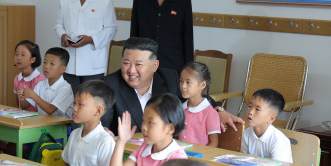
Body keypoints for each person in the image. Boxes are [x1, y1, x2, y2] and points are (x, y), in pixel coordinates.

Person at [102, 37, 244, 135]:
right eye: (126, 63)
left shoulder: (169, 79)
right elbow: (102, 121)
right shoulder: (109, 85)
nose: (131, 70)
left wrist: (218, 110)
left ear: (155, 65)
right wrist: (103, 130)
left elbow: (197, 99)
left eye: (138, 64)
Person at [55, 0, 117, 92]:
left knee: (91, 101)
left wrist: (91, 39)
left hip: (93, 62)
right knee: (70, 101)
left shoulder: (104, 1)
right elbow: (59, 25)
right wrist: (63, 35)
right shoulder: (65, 0)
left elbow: (111, 29)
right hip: (70, 61)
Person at [109, 93, 187, 166]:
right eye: (143, 121)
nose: (144, 127)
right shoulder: (144, 149)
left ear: (170, 128)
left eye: (150, 122)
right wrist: (121, 141)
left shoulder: (177, 158)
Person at [130, 0, 193, 73]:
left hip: (173, 65)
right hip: (144, 63)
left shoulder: (183, 1)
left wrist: (188, 68)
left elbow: (188, 37)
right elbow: (134, 34)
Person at [62, 80, 116, 166]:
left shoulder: (105, 141)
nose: (74, 108)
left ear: (98, 111)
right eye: (75, 103)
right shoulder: (74, 134)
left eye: (80, 104)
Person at [18, 47, 73, 118]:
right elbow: (24, 106)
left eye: (52, 64)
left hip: (61, 127)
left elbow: (50, 110)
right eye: (45, 62)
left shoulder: (65, 88)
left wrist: (33, 95)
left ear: (62, 69)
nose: (46, 66)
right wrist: (23, 97)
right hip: (43, 125)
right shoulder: (40, 85)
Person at [178, 62, 221, 146]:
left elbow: (214, 143)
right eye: (181, 81)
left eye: (188, 82)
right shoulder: (180, 109)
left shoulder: (210, 113)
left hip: (199, 158)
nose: (183, 86)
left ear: (202, 85)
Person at [13, 40, 45, 112]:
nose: (18, 58)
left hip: (37, 119)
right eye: (16, 54)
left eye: (23, 55)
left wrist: (23, 96)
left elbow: (24, 105)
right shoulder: (17, 78)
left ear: (33, 59)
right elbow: (18, 104)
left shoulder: (40, 79)